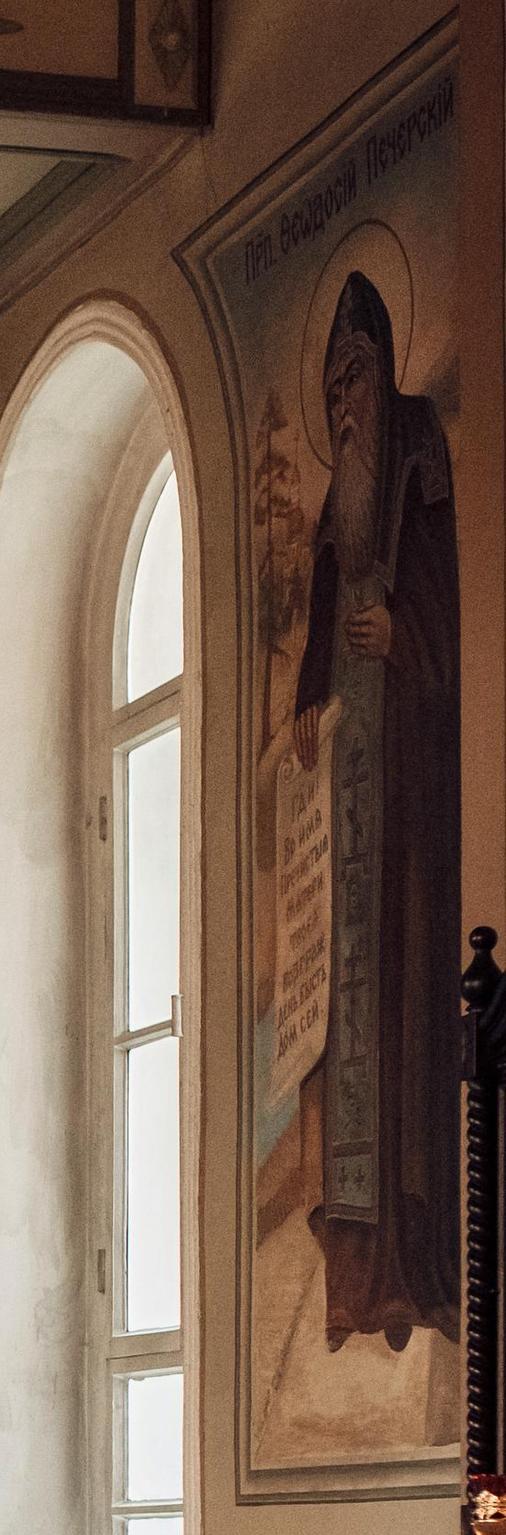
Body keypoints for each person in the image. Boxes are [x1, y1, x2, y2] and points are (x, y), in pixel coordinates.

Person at [289, 265, 461, 1352]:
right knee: (344, 1029)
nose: (345, 398)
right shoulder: (334, 505)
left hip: (404, 808)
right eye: (333, 382)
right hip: (344, 812)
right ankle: (355, 1277)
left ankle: (408, 1262)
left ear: (384, 361)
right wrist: (310, 698)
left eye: (355, 372)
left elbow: (444, 610)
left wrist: (406, 644)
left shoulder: (419, 463)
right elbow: (313, 641)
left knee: (398, 1022)